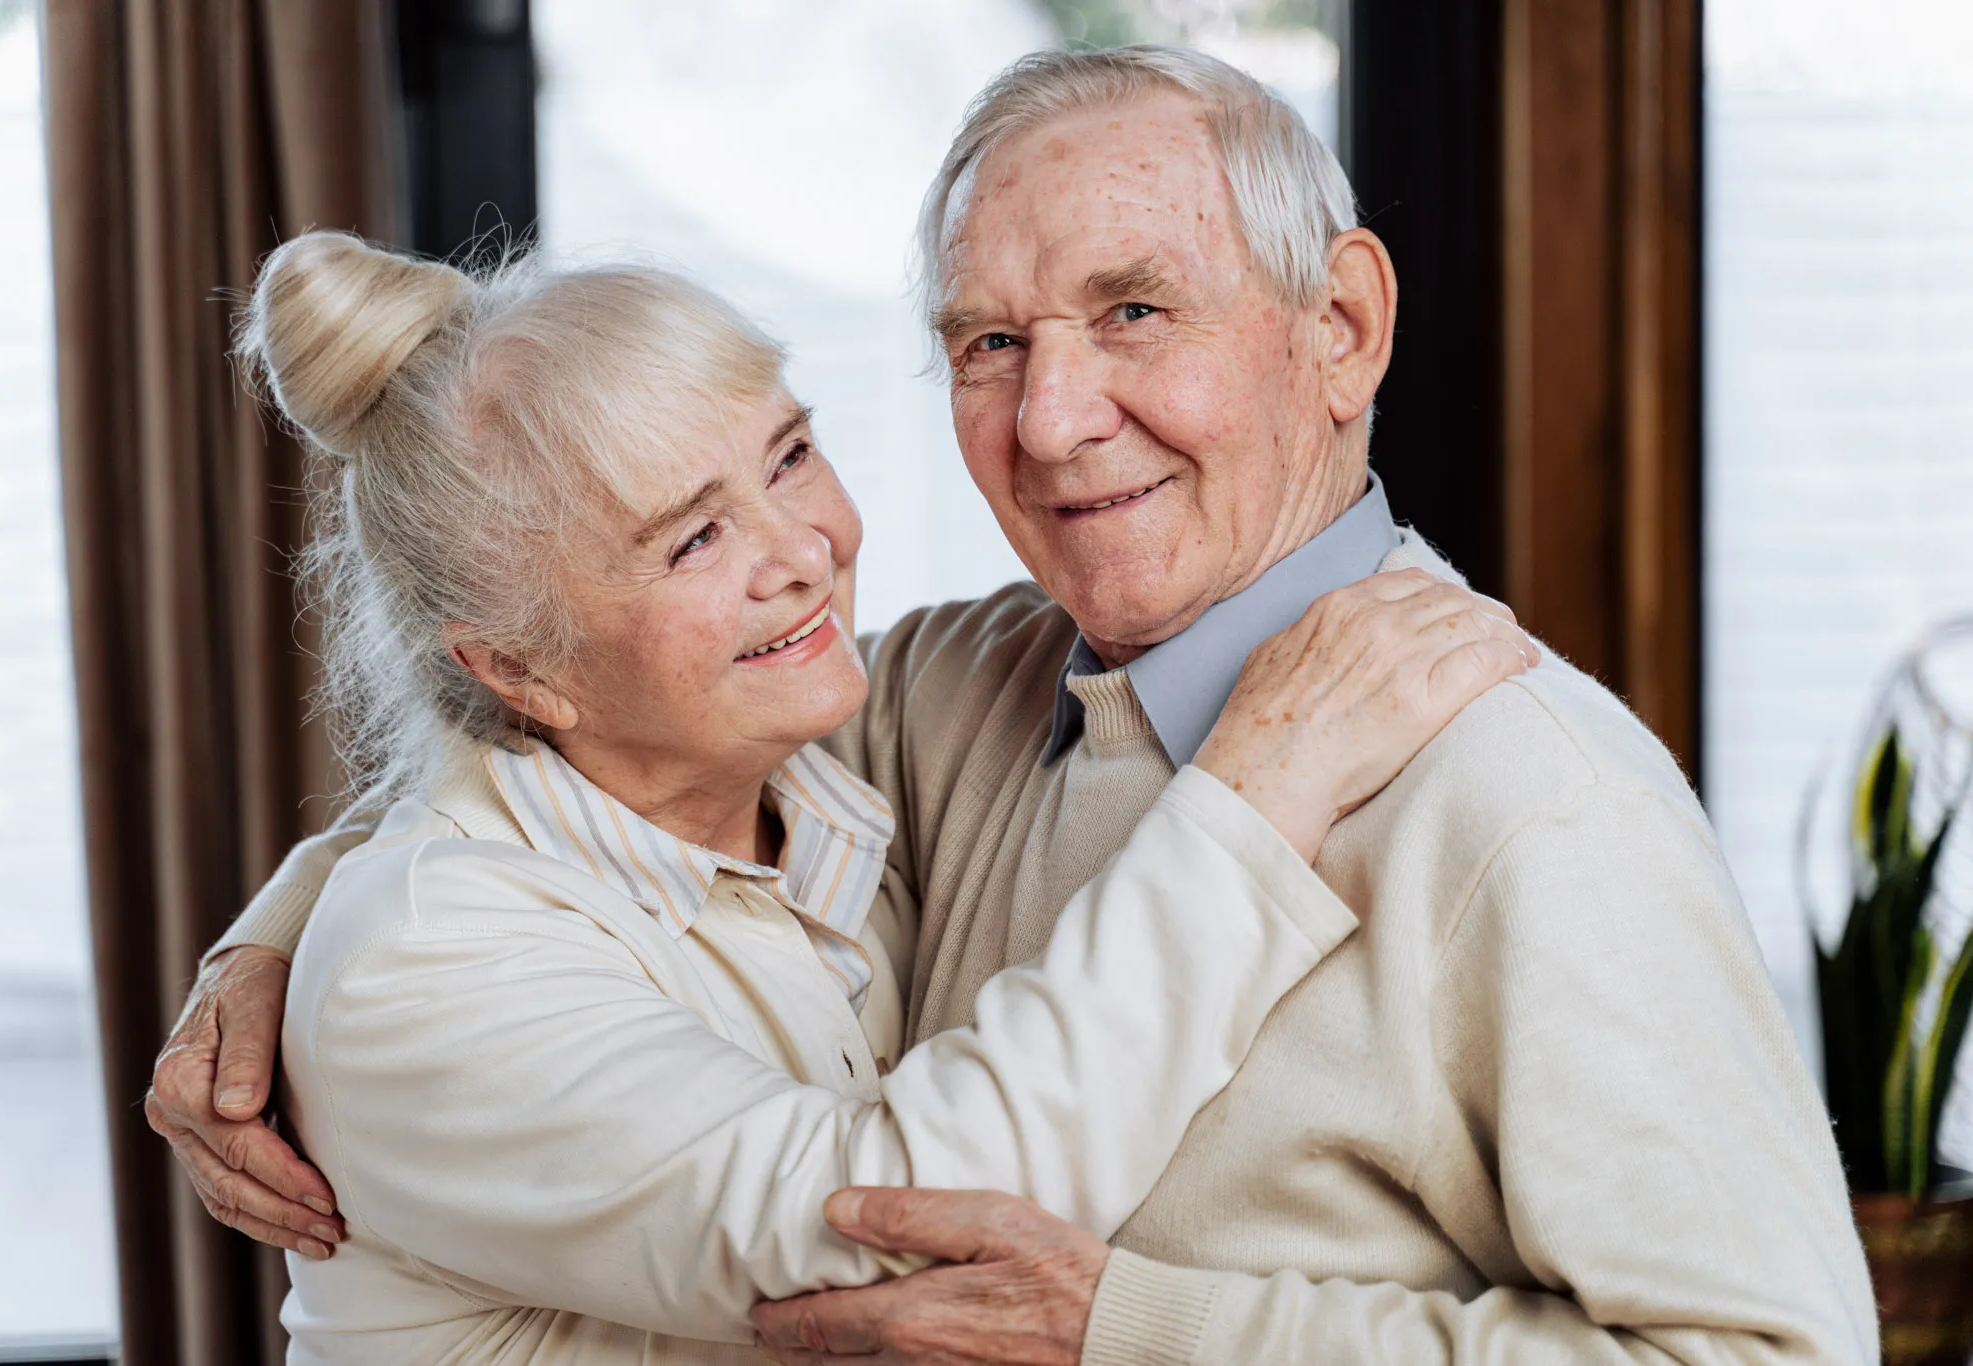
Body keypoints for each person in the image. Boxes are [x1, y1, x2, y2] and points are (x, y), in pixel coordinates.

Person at [154, 45, 1878, 1365]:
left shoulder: (1525, 796)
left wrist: (1131, 1331)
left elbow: (1767, 1350)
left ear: (1340, 325)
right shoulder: (957, 691)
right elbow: (616, 748)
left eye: (1137, 312)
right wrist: (285, 941)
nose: (1053, 421)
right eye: (988, 343)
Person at [215, 228, 1527, 1362]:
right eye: (693, 538)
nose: (803, 555)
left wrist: (281, 910)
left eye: (787, 457)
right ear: (519, 668)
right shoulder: (424, 959)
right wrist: (1257, 799)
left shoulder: (823, 743)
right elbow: (896, 1227)